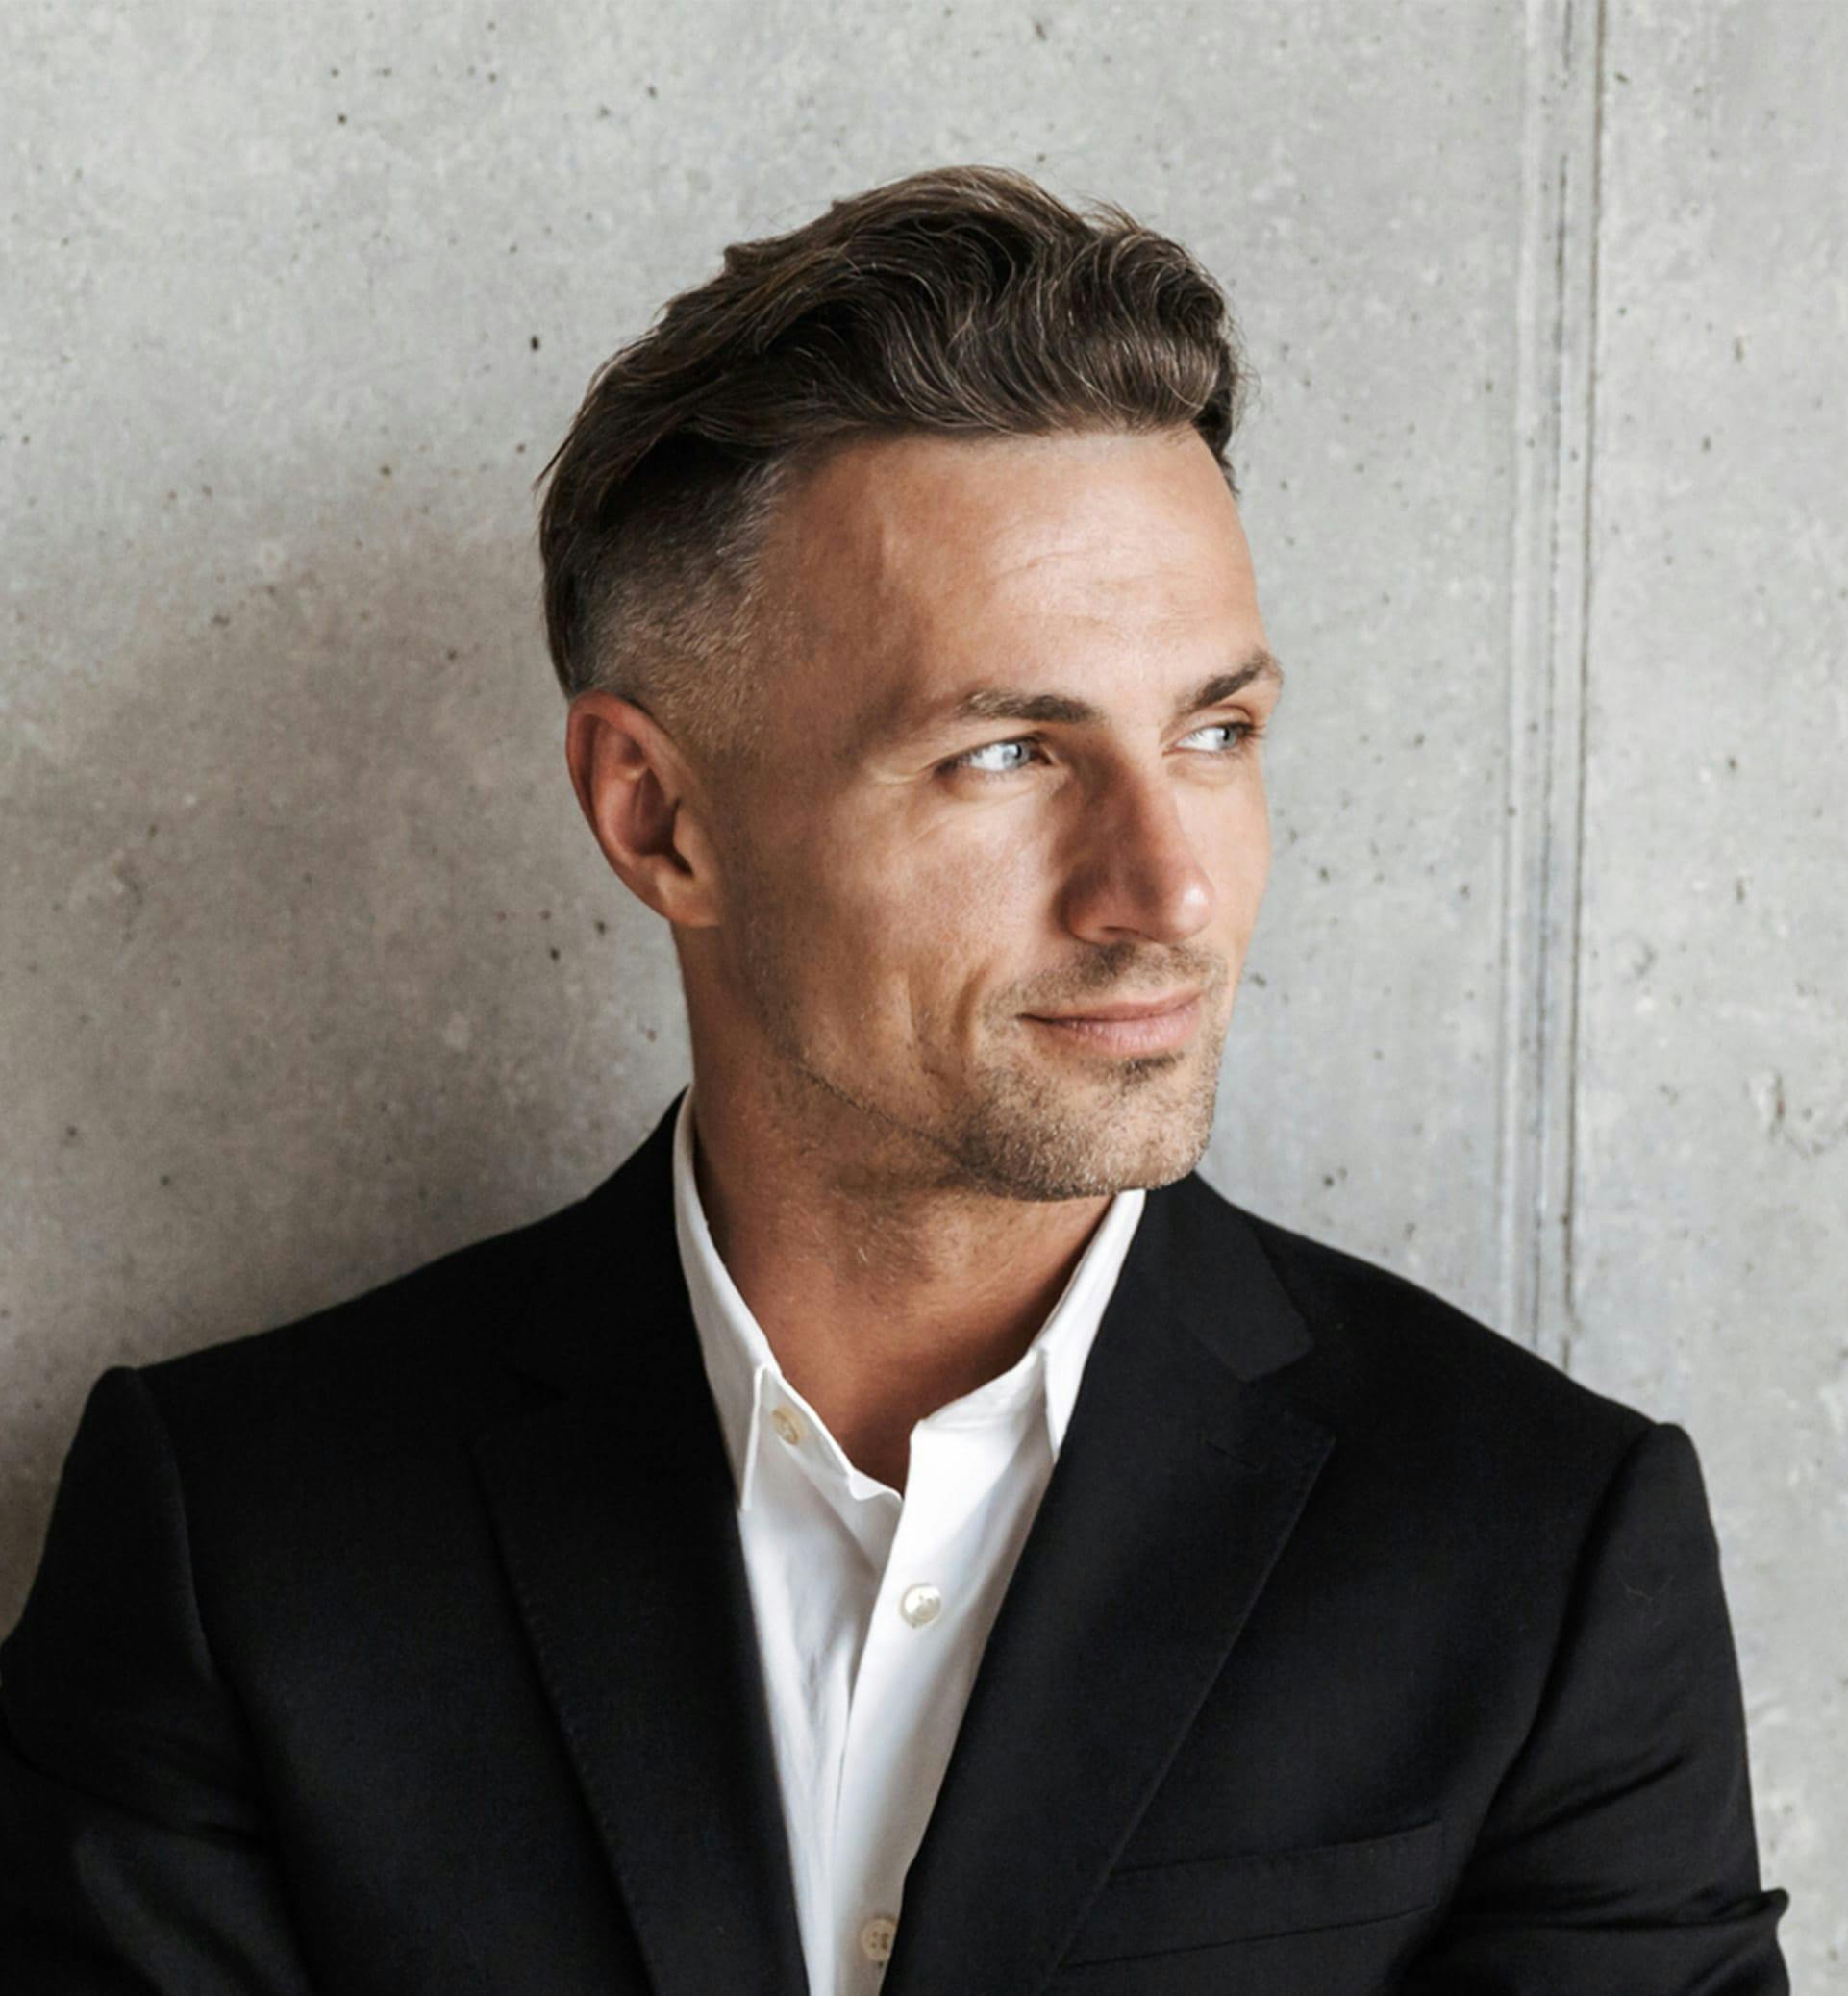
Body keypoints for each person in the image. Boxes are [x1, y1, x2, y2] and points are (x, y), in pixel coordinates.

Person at [0, 165, 1789, 1995]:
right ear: (657, 814)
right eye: (1009, 751)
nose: (1168, 892)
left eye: (1216, 732)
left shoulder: (1539, 1545)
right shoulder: (245, 1539)